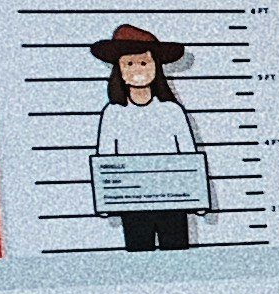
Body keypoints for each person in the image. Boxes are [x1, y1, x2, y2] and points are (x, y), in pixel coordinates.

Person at [87, 24, 203, 250]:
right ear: (119, 70)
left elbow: (188, 154)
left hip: (173, 199)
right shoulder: (113, 114)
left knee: (177, 251)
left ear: (156, 67)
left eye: (144, 63)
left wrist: (197, 196)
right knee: (139, 253)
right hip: (133, 202)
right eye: (129, 64)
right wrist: (107, 199)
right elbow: (106, 157)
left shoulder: (172, 111)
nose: (137, 69)